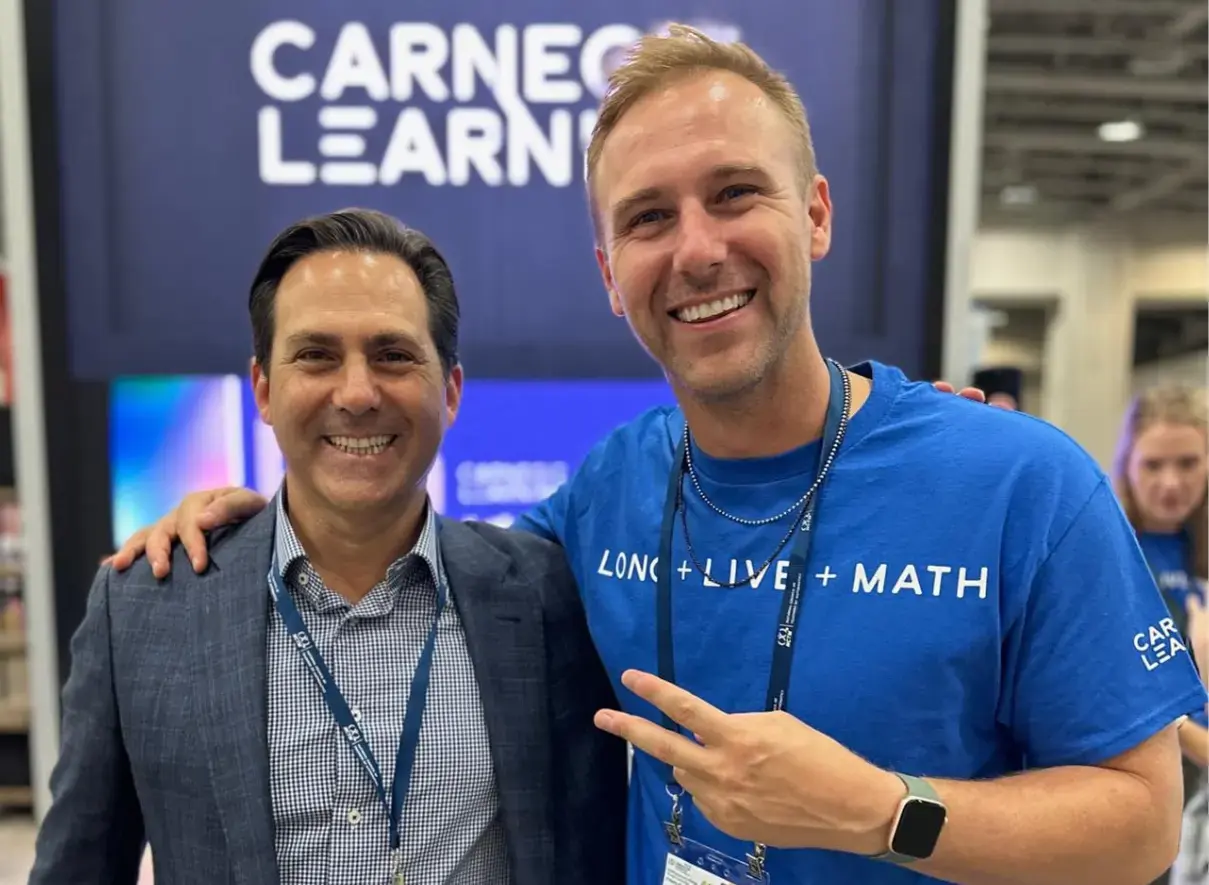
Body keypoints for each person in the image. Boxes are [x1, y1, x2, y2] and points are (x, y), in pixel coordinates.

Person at [110, 25, 1206, 885]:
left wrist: (880, 811)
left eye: (735, 194)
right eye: (647, 218)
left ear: (815, 214)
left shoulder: (1021, 483)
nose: (696, 249)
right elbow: (418, 559)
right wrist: (263, 517)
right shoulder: (606, 492)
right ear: (607, 270)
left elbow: (1144, 824)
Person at [31, 210, 627, 885]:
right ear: (262, 388)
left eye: (393, 355)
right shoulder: (144, 606)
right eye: (316, 355)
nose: (356, 393)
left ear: (451, 391)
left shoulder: (546, 596)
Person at [1111, 385, 1209, 885]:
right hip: (1142, 774)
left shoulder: (1199, 549)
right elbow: (1111, 684)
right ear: (1128, 464)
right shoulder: (1108, 545)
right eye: (1153, 465)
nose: (1171, 483)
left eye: (1188, 463)